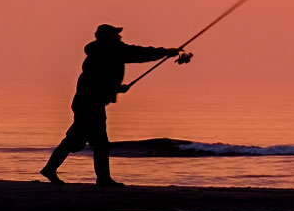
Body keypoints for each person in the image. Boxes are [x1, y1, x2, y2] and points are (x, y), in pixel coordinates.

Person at [40, 25, 190, 186]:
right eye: (116, 34)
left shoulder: (100, 51)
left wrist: (116, 89)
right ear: (109, 35)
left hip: (87, 102)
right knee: (98, 143)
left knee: (77, 140)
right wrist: (166, 52)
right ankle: (102, 179)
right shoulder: (110, 49)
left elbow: (98, 80)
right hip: (90, 103)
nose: (120, 37)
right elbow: (138, 53)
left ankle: (52, 169)